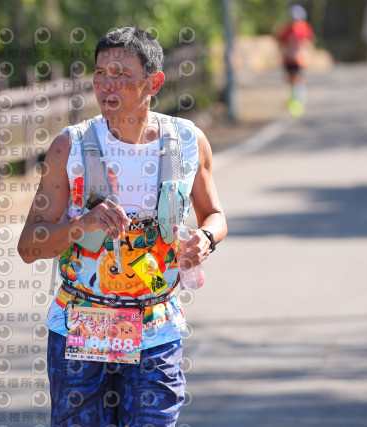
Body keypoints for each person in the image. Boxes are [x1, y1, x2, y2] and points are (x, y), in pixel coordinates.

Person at [17, 26, 227, 427]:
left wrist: (206, 238)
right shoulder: (69, 146)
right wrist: (81, 224)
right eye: (100, 73)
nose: (107, 84)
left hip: (156, 326)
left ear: (154, 83)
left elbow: (215, 215)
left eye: (121, 74)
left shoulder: (187, 141)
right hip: (83, 325)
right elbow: (29, 247)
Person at [277, 4, 316, 116]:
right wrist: (285, 51)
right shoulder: (286, 29)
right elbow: (280, 41)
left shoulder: (304, 28)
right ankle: (292, 99)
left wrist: (304, 50)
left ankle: (299, 100)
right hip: (288, 59)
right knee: (289, 79)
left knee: (298, 79)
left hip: (299, 59)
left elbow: (310, 41)